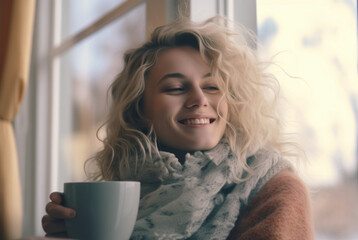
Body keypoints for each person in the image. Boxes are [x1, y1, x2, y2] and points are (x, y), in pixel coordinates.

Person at [42, 17, 314, 239]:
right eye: (175, 88)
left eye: (212, 87)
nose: (199, 99)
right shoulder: (125, 193)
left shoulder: (274, 188)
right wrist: (72, 232)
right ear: (140, 111)